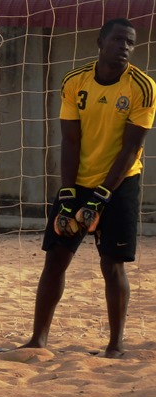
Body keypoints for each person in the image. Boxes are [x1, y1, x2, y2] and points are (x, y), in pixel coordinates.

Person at [20, 18, 155, 359]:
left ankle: (115, 345)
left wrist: (102, 196)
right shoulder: (74, 82)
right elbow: (69, 140)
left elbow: (131, 149)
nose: (125, 47)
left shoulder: (143, 87)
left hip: (121, 182)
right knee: (55, 261)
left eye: (130, 42)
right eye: (119, 40)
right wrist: (68, 194)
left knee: (112, 264)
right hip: (78, 181)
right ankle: (38, 339)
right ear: (100, 42)